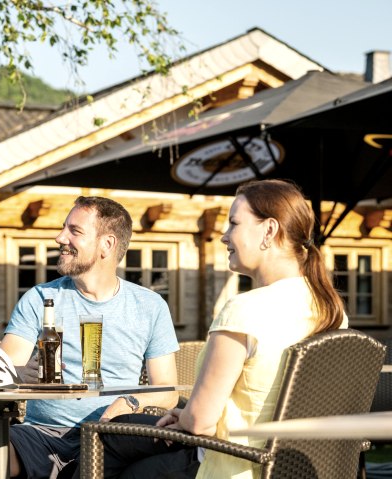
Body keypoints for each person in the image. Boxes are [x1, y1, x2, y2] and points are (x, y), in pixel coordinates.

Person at [89, 179, 349, 479]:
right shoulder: (331, 310)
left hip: (230, 465)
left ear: (269, 230)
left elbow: (200, 423)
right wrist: (188, 415)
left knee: (104, 440)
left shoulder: (246, 310)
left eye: (234, 224)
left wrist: (188, 416)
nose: (224, 237)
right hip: (297, 468)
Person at [0, 196, 179, 479]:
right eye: (63, 228)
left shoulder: (150, 305)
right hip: (43, 432)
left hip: (112, 435)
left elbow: (167, 389)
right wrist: (21, 374)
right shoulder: (40, 298)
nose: (60, 238)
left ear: (107, 244)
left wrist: (131, 402)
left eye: (74, 231)